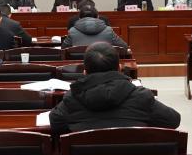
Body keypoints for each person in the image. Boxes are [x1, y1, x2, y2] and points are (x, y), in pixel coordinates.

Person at [49, 42, 180, 135]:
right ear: (119, 68)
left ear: (85, 72)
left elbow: (55, 123)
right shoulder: (141, 96)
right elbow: (173, 120)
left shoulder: (72, 98)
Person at [64, 5, 128, 49]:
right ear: (98, 17)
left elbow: (63, 49)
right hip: (103, 63)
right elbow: (124, 47)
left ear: (79, 18)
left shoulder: (72, 31)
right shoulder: (108, 30)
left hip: (79, 64)